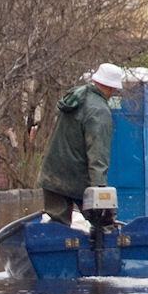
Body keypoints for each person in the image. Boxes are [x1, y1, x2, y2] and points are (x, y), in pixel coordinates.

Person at [37, 62, 124, 227]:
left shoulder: (76, 97)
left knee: (58, 228)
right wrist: (99, 189)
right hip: (78, 178)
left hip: (53, 173)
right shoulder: (99, 110)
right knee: (104, 225)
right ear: (112, 88)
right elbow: (98, 153)